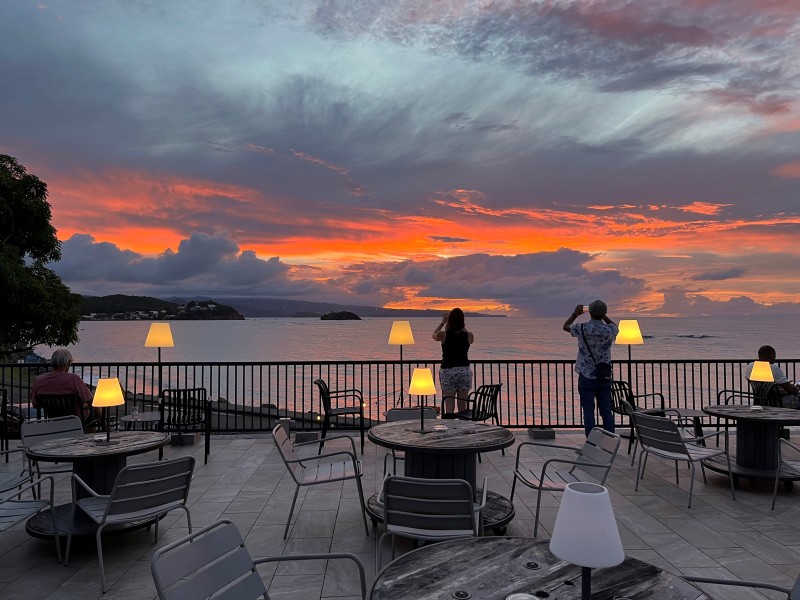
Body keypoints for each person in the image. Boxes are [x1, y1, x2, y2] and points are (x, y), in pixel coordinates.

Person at [563, 300, 618, 435]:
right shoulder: (609, 330)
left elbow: (566, 326)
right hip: (603, 374)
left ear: (590, 313)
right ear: (604, 313)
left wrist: (575, 314)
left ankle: (591, 444)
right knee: (606, 410)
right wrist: (604, 315)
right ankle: (609, 442)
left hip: (586, 375)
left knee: (588, 411)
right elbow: (615, 327)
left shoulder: (582, 328)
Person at [30, 348, 95, 421]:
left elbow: (35, 405)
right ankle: (102, 429)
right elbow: (91, 401)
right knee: (92, 409)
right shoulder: (74, 379)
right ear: (68, 363)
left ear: (53, 362)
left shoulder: (38, 380)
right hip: (74, 420)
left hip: (54, 419)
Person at [433, 308, 475, 416]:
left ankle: (450, 430)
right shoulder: (469, 335)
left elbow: (434, 335)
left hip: (448, 371)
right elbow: (470, 338)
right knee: (463, 408)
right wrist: (462, 325)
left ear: (450, 320)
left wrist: (443, 322)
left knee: (449, 408)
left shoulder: (443, 335)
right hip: (464, 371)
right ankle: (462, 431)